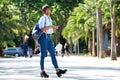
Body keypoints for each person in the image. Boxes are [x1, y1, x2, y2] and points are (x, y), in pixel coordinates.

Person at [38, 5, 67, 78]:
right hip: (43, 37)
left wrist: (53, 28)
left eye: (49, 10)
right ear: (44, 11)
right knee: (43, 55)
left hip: (49, 37)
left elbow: (48, 29)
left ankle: (57, 70)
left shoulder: (49, 18)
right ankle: (42, 71)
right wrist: (51, 27)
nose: (49, 11)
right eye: (47, 10)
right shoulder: (43, 18)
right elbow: (41, 28)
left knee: (53, 54)